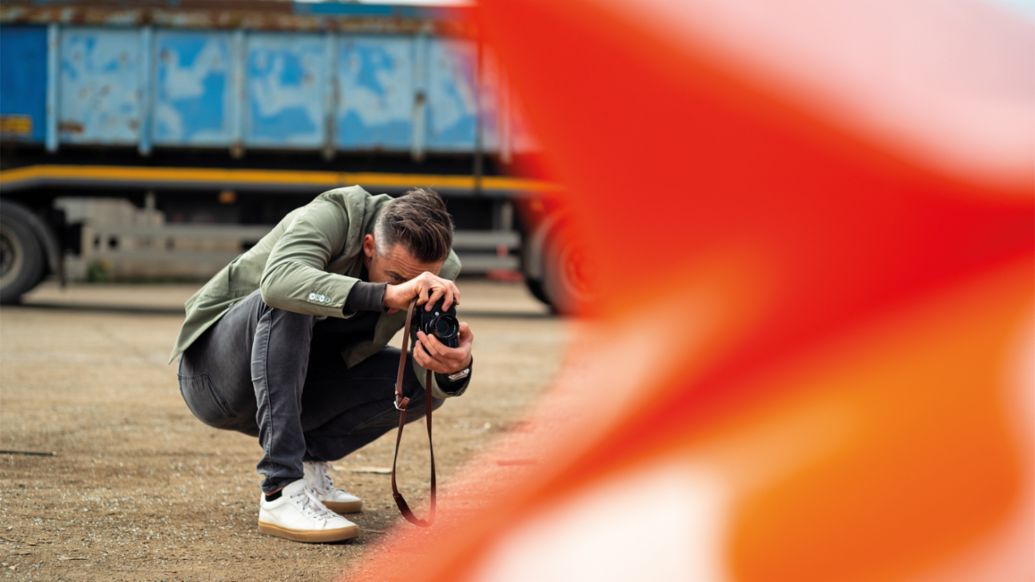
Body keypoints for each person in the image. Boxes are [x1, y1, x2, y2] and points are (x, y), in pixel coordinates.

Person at [169, 186, 475, 543]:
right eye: (395, 277)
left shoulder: (439, 272)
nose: (407, 290)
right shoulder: (334, 215)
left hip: (296, 384)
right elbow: (279, 283)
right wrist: (385, 294)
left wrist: (455, 366)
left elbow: (433, 367)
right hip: (213, 377)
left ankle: (309, 466)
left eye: (414, 282)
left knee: (422, 384)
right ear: (369, 247)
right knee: (290, 298)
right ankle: (280, 488)